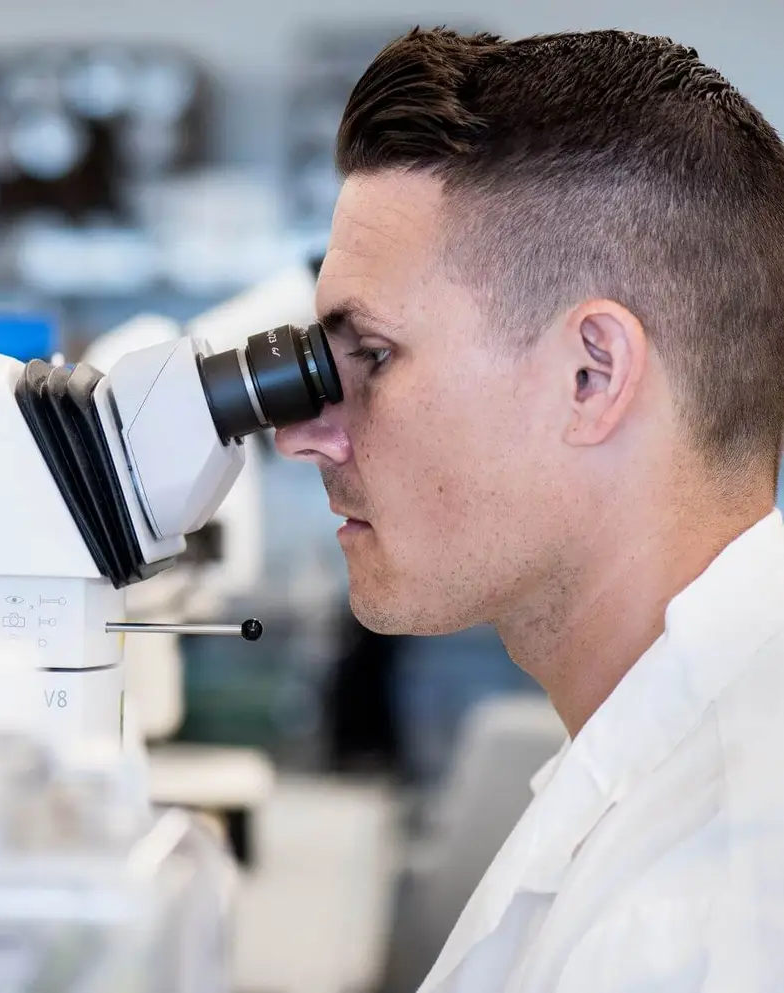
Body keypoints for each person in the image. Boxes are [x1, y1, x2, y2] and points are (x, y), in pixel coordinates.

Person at [275, 27, 784, 993]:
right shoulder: (665, 755)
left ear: (592, 375)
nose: (302, 435)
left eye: (370, 358)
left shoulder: (700, 915)